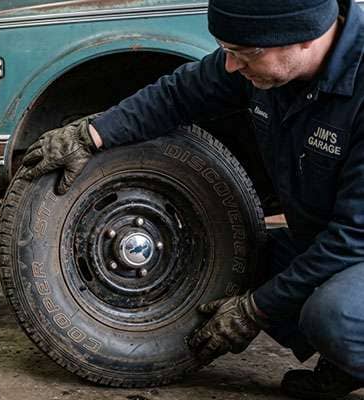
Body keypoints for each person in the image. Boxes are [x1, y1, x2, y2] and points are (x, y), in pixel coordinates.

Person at [20, 0, 364, 399]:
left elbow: (353, 237)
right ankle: (345, 363)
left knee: (335, 315)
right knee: (247, 263)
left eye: (243, 54)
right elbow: (178, 94)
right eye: (227, 51)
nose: (232, 66)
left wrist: (256, 309)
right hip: (335, 241)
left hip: (353, 243)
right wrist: (90, 134)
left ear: (303, 37)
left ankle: (347, 347)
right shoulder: (263, 58)